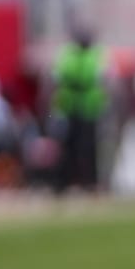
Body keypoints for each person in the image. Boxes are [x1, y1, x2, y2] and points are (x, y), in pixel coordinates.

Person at [53, 25, 108, 193]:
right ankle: (66, 182)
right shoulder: (68, 54)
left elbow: (100, 78)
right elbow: (61, 76)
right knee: (68, 146)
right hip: (69, 109)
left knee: (90, 147)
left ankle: (90, 182)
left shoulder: (96, 54)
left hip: (90, 109)